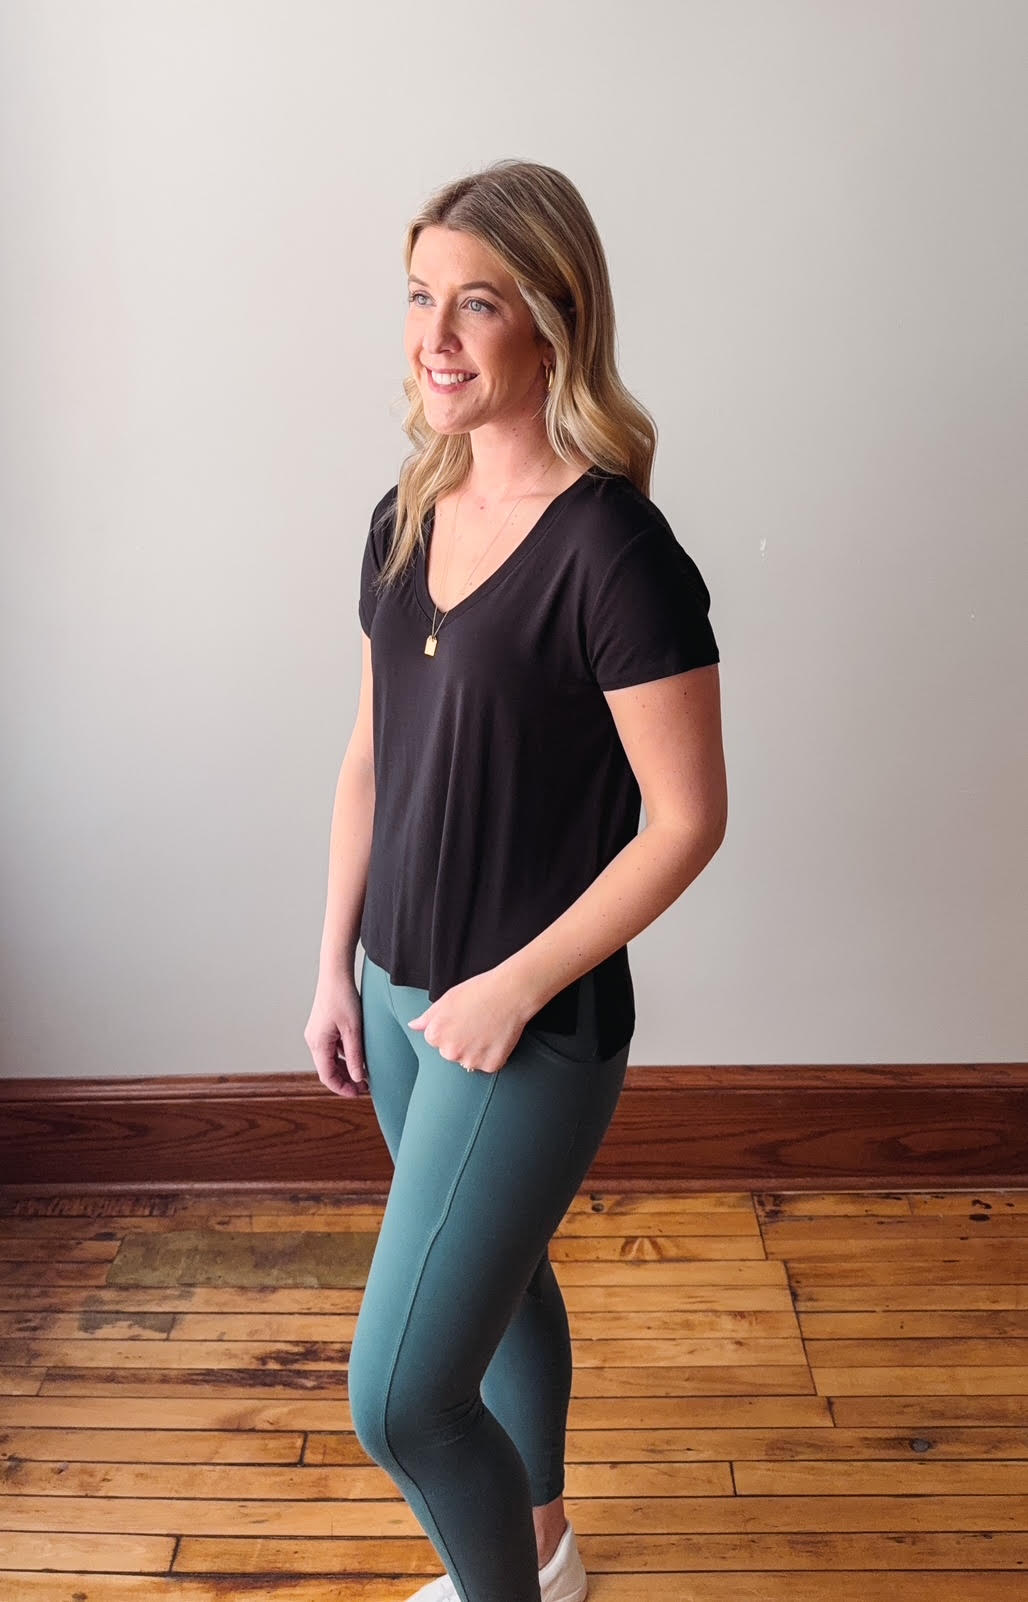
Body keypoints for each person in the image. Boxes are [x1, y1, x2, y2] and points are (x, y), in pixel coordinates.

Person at [304, 159, 728, 1602]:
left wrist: (514, 984)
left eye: (475, 303)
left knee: (401, 1399)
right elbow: (370, 761)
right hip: (399, 986)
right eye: (420, 296)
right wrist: (334, 965)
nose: (435, 333)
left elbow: (686, 819)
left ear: (552, 321)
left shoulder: (617, 553)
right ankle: (544, 1543)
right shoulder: (405, 511)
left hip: (527, 1024)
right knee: (501, 1277)